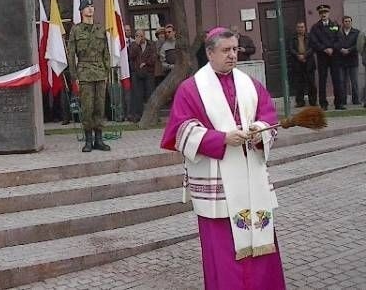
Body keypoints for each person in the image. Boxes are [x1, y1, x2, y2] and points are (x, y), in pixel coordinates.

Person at [161, 27, 285, 289]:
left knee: (260, 245)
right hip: (217, 183)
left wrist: (258, 132)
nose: (232, 55)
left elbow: (269, 118)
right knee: (223, 252)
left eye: (235, 49)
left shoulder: (250, 85)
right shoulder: (191, 88)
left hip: (252, 180)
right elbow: (181, 131)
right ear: (209, 53)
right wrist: (221, 139)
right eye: (226, 50)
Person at [68, 0, 111, 152]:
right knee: (87, 107)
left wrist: (107, 72)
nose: (91, 9)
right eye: (87, 7)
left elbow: (106, 52)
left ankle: (99, 139)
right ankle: (88, 140)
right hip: (84, 72)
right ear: (81, 11)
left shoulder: (100, 29)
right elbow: (71, 53)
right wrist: (74, 76)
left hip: (99, 71)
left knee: (99, 107)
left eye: (92, 6)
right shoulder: (76, 30)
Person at [309, 4, 343, 110]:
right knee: (322, 80)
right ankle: (323, 104)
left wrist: (332, 48)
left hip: (334, 56)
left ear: (328, 13)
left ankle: (339, 103)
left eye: (325, 12)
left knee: (337, 80)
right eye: (321, 13)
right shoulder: (315, 27)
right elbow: (313, 42)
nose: (323, 14)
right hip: (322, 56)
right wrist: (324, 48)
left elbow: (340, 39)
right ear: (319, 14)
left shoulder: (335, 25)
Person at [129, 29, 157, 122]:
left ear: (144, 36)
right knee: (138, 95)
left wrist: (145, 63)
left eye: (141, 35)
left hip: (148, 72)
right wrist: (136, 44)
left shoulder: (151, 44)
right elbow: (131, 56)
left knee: (150, 93)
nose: (139, 37)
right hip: (137, 73)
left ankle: (152, 116)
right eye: (137, 35)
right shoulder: (133, 45)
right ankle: (138, 116)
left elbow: (154, 57)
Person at [288, 21, 316, 107]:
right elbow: (291, 49)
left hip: (309, 63)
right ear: (296, 28)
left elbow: (313, 47)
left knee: (311, 83)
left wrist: (305, 56)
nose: (300, 29)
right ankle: (300, 102)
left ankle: (313, 101)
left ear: (305, 28)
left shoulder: (310, 37)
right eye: (299, 27)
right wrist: (298, 56)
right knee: (299, 84)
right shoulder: (293, 38)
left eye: (302, 27)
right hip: (297, 63)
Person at [336, 15, 360, 105]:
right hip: (341, 60)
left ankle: (356, 100)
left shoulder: (356, 32)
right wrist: (340, 49)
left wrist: (349, 50)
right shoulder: (338, 33)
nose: (347, 23)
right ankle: (343, 101)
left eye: (349, 21)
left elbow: (358, 44)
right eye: (345, 21)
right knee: (342, 82)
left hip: (353, 60)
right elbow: (335, 43)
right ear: (343, 23)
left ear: (351, 22)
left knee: (354, 82)